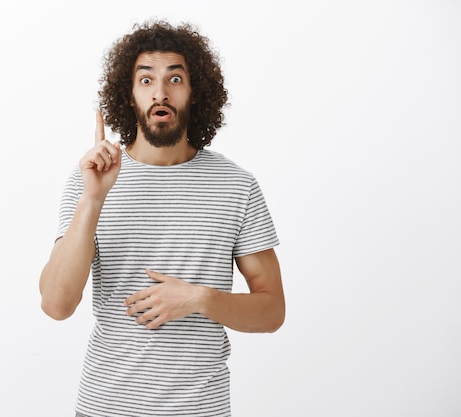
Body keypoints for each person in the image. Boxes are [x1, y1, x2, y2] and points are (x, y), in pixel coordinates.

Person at [39, 19, 285, 417]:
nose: (160, 92)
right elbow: (56, 304)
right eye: (146, 79)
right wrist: (93, 200)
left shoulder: (236, 186)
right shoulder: (90, 181)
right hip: (106, 407)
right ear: (129, 94)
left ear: (195, 92)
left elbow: (272, 310)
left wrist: (200, 299)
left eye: (175, 79)